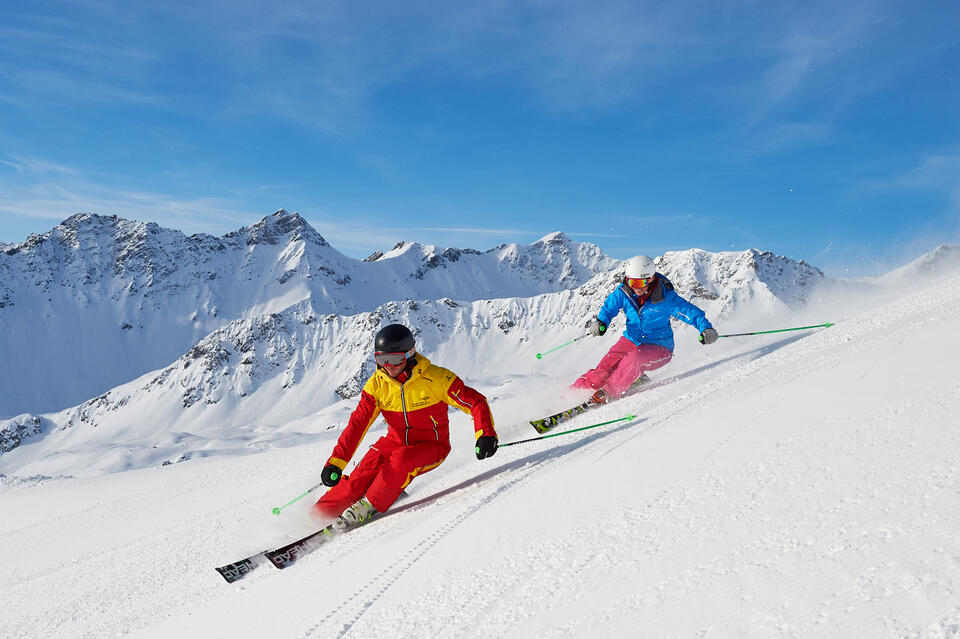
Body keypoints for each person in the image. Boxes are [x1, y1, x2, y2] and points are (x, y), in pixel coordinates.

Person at [312, 323, 499, 527]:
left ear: (409, 355)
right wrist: (336, 463)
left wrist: (485, 434)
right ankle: (314, 519)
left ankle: (368, 506)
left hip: (432, 446)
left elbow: (475, 401)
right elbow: (357, 425)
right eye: (382, 360)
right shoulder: (377, 385)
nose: (388, 366)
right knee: (360, 475)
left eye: (395, 359)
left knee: (401, 461)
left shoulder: (436, 378)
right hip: (393, 442)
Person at [572, 255, 719, 403]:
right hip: (630, 340)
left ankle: (607, 393)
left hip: (660, 347)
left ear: (650, 279)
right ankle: (574, 393)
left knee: (635, 358)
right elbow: (610, 306)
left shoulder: (665, 298)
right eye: (631, 282)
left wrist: (705, 328)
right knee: (604, 369)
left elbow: (690, 312)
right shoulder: (624, 292)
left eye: (639, 282)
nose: (635, 287)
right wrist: (601, 321)